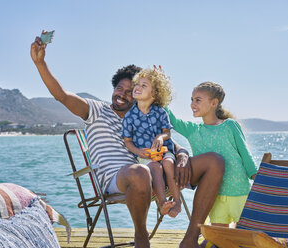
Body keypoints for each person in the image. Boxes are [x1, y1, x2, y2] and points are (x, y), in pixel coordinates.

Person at [30, 34, 224, 248]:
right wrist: (40, 63)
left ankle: (190, 239)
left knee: (214, 161)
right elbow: (62, 96)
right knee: (140, 171)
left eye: (131, 92)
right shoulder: (96, 110)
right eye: (119, 88)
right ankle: (142, 236)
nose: (122, 94)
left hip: (153, 175)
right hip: (117, 178)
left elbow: (168, 143)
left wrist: (182, 155)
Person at [165, 81, 258, 228]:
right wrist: (161, 90)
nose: (192, 104)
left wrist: (259, 180)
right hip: (215, 197)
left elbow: (246, 156)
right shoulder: (192, 130)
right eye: (191, 99)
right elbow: (173, 120)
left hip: (240, 193)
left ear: (214, 103)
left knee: (247, 237)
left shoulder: (230, 125)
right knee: (219, 239)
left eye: (198, 100)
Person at [122, 67, 181, 218]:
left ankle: (177, 201)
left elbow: (167, 132)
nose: (138, 87)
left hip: (164, 151)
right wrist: (138, 152)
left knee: (168, 163)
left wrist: (161, 137)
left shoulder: (161, 112)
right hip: (146, 155)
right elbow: (127, 141)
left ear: (154, 93)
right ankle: (163, 204)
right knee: (154, 167)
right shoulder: (129, 117)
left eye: (144, 85)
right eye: (137, 84)